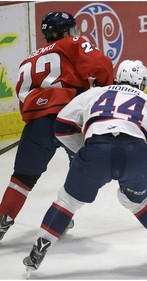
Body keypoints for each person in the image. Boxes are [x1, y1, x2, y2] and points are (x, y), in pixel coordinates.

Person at [22, 60, 147, 275]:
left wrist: (84, 148)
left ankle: (39, 250)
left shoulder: (94, 94)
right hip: (135, 156)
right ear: (143, 83)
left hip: (96, 152)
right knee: (134, 201)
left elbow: (61, 125)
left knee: (67, 201)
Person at [0, 11, 113, 241]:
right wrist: (106, 90)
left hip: (38, 124)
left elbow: (23, 98)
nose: (73, 33)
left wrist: (41, 120)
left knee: (22, 178)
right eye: (70, 29)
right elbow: (102, 64)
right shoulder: (72, 43)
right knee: (82, 169)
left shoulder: (28, 60)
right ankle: (60, 217)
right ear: (63, 32)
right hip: (69, 117)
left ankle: (3, 218)